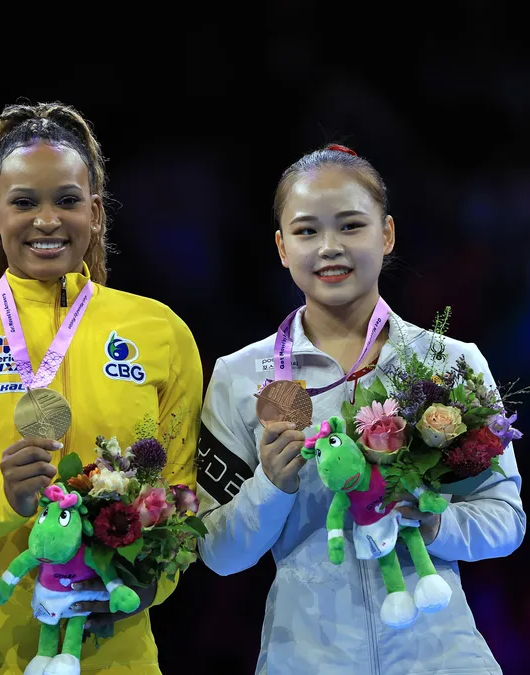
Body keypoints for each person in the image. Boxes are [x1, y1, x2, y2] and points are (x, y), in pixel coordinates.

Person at [0, 102, 203, 675]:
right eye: (24, 203)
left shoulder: (161, 333)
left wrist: (138, 587)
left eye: (67, 200)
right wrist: (5, 502)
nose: (47, 220)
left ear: (96, 213)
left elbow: (180, 507)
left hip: (117, 656)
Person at [196, 143, 525, 675]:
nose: (330, 247)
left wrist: (435, 523)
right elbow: (219, 554)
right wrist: (270, 487)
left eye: (351, 226)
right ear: (282, 247)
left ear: (386, 234)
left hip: (441, 659)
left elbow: (506, 520)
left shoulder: (450, 363)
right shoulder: (240, 376)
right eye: (306, 231)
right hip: (304, 659)